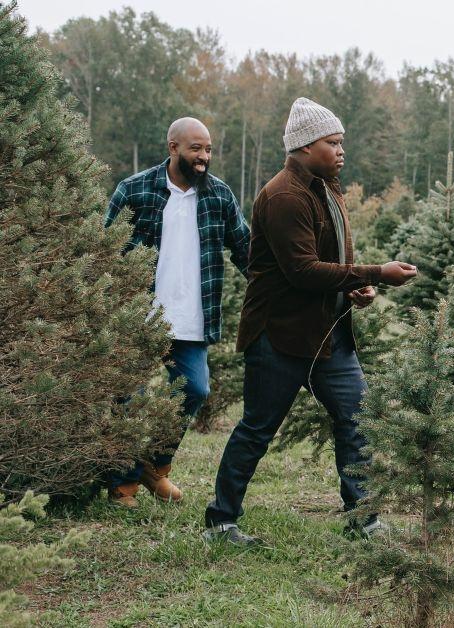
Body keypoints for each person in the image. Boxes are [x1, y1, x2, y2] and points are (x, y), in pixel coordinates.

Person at [202, 97, 418, 545]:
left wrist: (354, 287)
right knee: (257, 428)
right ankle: (222, 521)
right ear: (303, 146)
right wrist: (378, 272)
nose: (341, 151)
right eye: (332, 143)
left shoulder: (327, 187)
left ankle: (364, 518)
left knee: (358, 418)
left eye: (342, 143)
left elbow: (331, 257)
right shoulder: (284, 195)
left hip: (328, 335)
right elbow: (301, 269)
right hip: (279, 336)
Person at [104, 117, 250, 507]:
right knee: (129, 398)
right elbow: (104, 251)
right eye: (195, 149)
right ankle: (123, 482)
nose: (203, 157)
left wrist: (283, 286)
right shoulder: (134, 190)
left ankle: (156, 466)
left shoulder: (218, 195)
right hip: (138, 317)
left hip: (191, 318)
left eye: (208, 149)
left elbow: (245, 250)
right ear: (173, 148)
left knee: (195, 388)